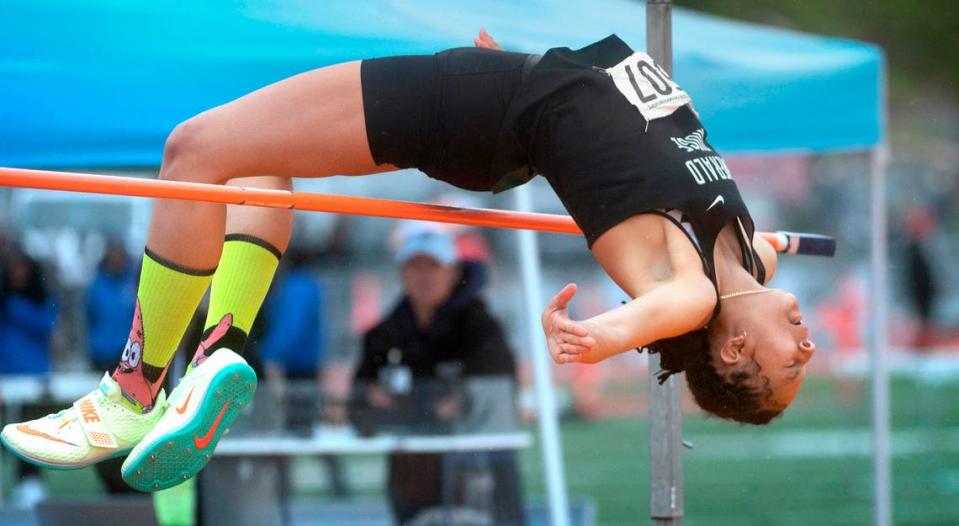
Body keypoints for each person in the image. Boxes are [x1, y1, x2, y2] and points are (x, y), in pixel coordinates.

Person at [1, 28, 816, 491]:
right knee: (252, 162)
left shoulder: (688, 298)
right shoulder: (749, 258)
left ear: (734, 347)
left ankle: (132, 391)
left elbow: (646, 321)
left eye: (789, 366)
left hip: (472, 109)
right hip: (506, 92)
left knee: (192, 152)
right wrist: (776, 247)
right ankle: (219, 351)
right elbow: (764, 255)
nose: (807, 349)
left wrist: (588, 337)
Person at [351, 226, 523, 525]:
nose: (424, 275)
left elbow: (480, 401)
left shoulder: (481, 327)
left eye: (434, 265)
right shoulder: (383, 334)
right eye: (414, 265)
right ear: (401, 273)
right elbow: (361, 405)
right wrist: (430, 407)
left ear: (454, 272)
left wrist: (401, 406)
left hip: (480, 472)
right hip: (411, 478)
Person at [0, 247, 58, 507]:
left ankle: (30, 483)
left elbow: (47, 324)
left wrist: (16, 307)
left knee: (30, 433)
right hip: (5, 377)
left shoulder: (37, 300)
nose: (18, 274)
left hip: (33, 378)